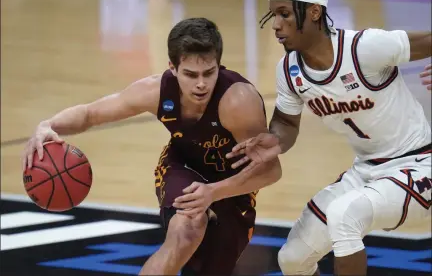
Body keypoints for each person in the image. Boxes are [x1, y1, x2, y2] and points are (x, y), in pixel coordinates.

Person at [21, 17, 282, 275]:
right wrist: (50, 125)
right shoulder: (155, 90)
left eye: (209, 73)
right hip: (182, 165)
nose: (201, 83)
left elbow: (270, 170)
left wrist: (213, 192)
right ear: (173, 67)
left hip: (232, 185)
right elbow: (91, 114)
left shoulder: (238, 101)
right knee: (187, 228)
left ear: (219, 66)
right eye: (190, 74)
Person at [226, 0, 432, 276]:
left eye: (284, 14)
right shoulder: (288, 69)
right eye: (273, 15)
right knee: (293, 258)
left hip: (418, 164)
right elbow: (285, 121)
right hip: (365, 171)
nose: (275, 25)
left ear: (314, 11)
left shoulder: (364, 48)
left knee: (344, 215)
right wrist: (276, 140)